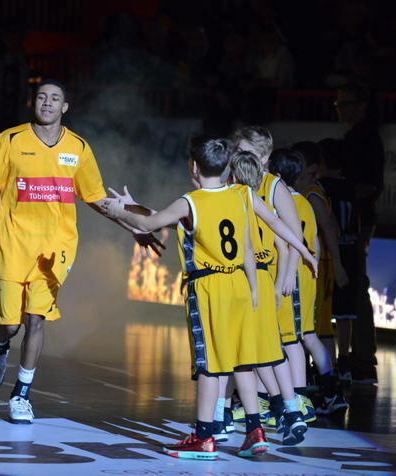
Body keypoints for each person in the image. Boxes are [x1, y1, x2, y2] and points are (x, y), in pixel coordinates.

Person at [0, 79, 155, 424]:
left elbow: (96, 199)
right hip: (13, 245)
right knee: (11, 325)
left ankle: (21, 395)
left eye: (54, 98)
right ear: (34, 103)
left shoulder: (78, 148)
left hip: (56, 249)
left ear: (65, 107)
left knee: (36, 320)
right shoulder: (10, 141)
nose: (47, 102)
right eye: (42, 97)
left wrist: (135, 226)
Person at [103, 137, 274, 459]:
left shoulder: (190, 201)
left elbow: (152, 223)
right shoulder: (240, 196)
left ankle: (204, 437)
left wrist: (119, 209)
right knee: (242, 362)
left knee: (209, 366)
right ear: (226, 167)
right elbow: (248, 246)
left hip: (210, 289)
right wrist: (253, 290)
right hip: (240, 284)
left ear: (193, 166)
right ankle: (256, 430)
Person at [224, 151, 313, 445]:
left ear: (232, 176)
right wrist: (305, 253)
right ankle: (290, 409)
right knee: (271, 352)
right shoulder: (256, 200)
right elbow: (280, 233)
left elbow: (175, 220)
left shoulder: (228, 199)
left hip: (242, 282)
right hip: (265, 281)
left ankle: (225, 417)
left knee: (238, 356)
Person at [273, 147, 348, 415]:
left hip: (291, 275)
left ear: (276, 176)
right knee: (308, 335)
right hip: (307, 274)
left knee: (293, 339)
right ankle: (330, 389)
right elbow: (314, 241)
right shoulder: (304, 200)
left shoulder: (287, 203)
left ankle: (303, 397)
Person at [335, 82, 382, 385]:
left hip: (356, 223)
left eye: (344, 103)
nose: (340, 109)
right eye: (337, 104)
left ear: (361, 105)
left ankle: (362, 358)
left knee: (356, 289)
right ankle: (359, 356)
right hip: (355, 222)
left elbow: (371, 185)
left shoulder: (364, 139)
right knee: (355, 288)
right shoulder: (358, 137)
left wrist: (342, 190)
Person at [318, 137, 365, 383]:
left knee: (325, 310)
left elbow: (329, 225)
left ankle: (327, 366)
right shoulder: (351, 187)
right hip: (352, 249)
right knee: (347, 311)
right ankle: (344, 359)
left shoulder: (321, 187)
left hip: (330, 253)